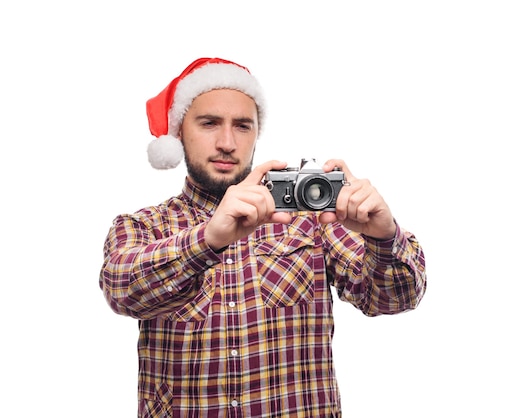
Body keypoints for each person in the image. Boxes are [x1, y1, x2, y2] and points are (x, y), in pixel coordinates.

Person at [99, 57, 427, 418]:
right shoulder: (143, 226)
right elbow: (120, 288)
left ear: (256, 134)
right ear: (178, 133)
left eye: (242, 126)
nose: (227, 142)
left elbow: (397, 298)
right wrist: (207, 240)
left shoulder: (312, 220)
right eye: (209, 123)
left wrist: (383, 235)